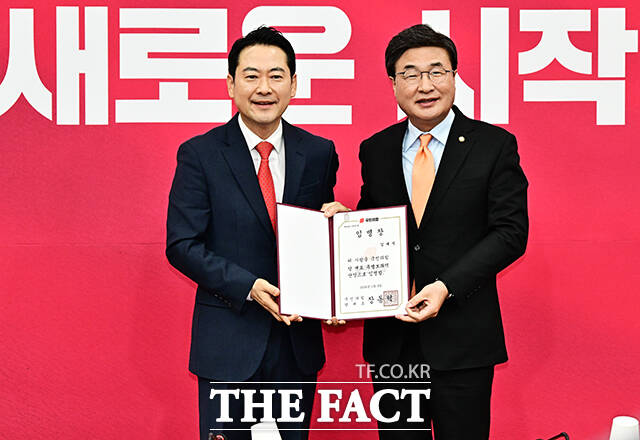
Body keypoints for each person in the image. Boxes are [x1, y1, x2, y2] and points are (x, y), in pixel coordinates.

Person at [166, 26, 343, 440]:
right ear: (231, 84)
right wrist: (248, 287)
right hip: (229, 341)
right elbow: (182, 245)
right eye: (251, 76)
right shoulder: (200, 154)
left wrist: (338, 232)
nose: (264, 88)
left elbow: (316, 236)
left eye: (276, 76)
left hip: (296, 345)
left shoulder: (318, 152)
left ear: (293, 84)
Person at [357, 24, 529, 439]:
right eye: (411, 74)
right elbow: (372, 225)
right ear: (394, 84)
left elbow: (510, 232)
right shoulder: (376, 150)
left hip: (463, 338)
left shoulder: (493, 145)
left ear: (454, 77)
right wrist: (341, 226)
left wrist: (445, 287)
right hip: (393, 342)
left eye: (437, 71)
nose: (425, 85)